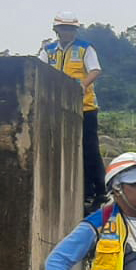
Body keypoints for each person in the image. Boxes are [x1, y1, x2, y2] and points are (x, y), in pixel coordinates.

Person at [38, 13, 106, 212]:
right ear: (57, 30)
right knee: (61, 148)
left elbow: (95, 70)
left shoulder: (85, 48)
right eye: (63, 29)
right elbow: (40, 71)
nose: (67, 32)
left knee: (89, 149)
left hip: (84, 108)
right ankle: (78, 190)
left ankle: (99, 191)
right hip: (57, 109)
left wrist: (82, 86)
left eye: (70, 29)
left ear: (75, 31)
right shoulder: (48, 51)